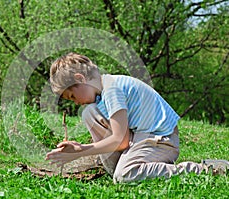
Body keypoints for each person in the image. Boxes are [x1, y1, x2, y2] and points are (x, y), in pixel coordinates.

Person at [45, 52, 228, 183]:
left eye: (72, 96)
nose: (75, 102)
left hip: (161, 139)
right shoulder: (103, 93)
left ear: (80, 79)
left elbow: (120, 141)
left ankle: (203, 170)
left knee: (125, 175)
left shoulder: (112, 90)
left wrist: (81, 150)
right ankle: (127, 166)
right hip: (140, 137)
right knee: (89, 112)